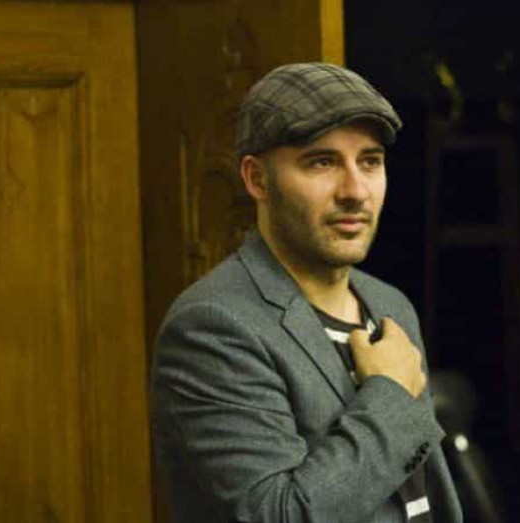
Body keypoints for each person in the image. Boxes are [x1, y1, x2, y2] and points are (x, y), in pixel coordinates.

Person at [151, 62, 463, 523]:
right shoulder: (212, 327)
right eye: (322, 162)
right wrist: (392, 396)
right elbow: (280, 514)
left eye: (370, 161)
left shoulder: (390, 305)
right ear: (257, 179)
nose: (355, 191)